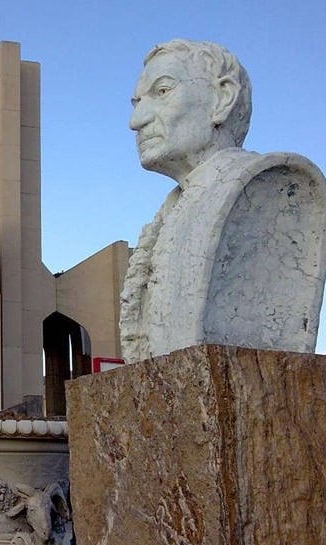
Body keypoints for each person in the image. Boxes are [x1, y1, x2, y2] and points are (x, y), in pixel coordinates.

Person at [120, 39, 326, 363]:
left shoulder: (272, 185)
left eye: (161, 92)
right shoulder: (174, 207)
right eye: (136, 102)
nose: (136, 120)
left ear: (222, 98)